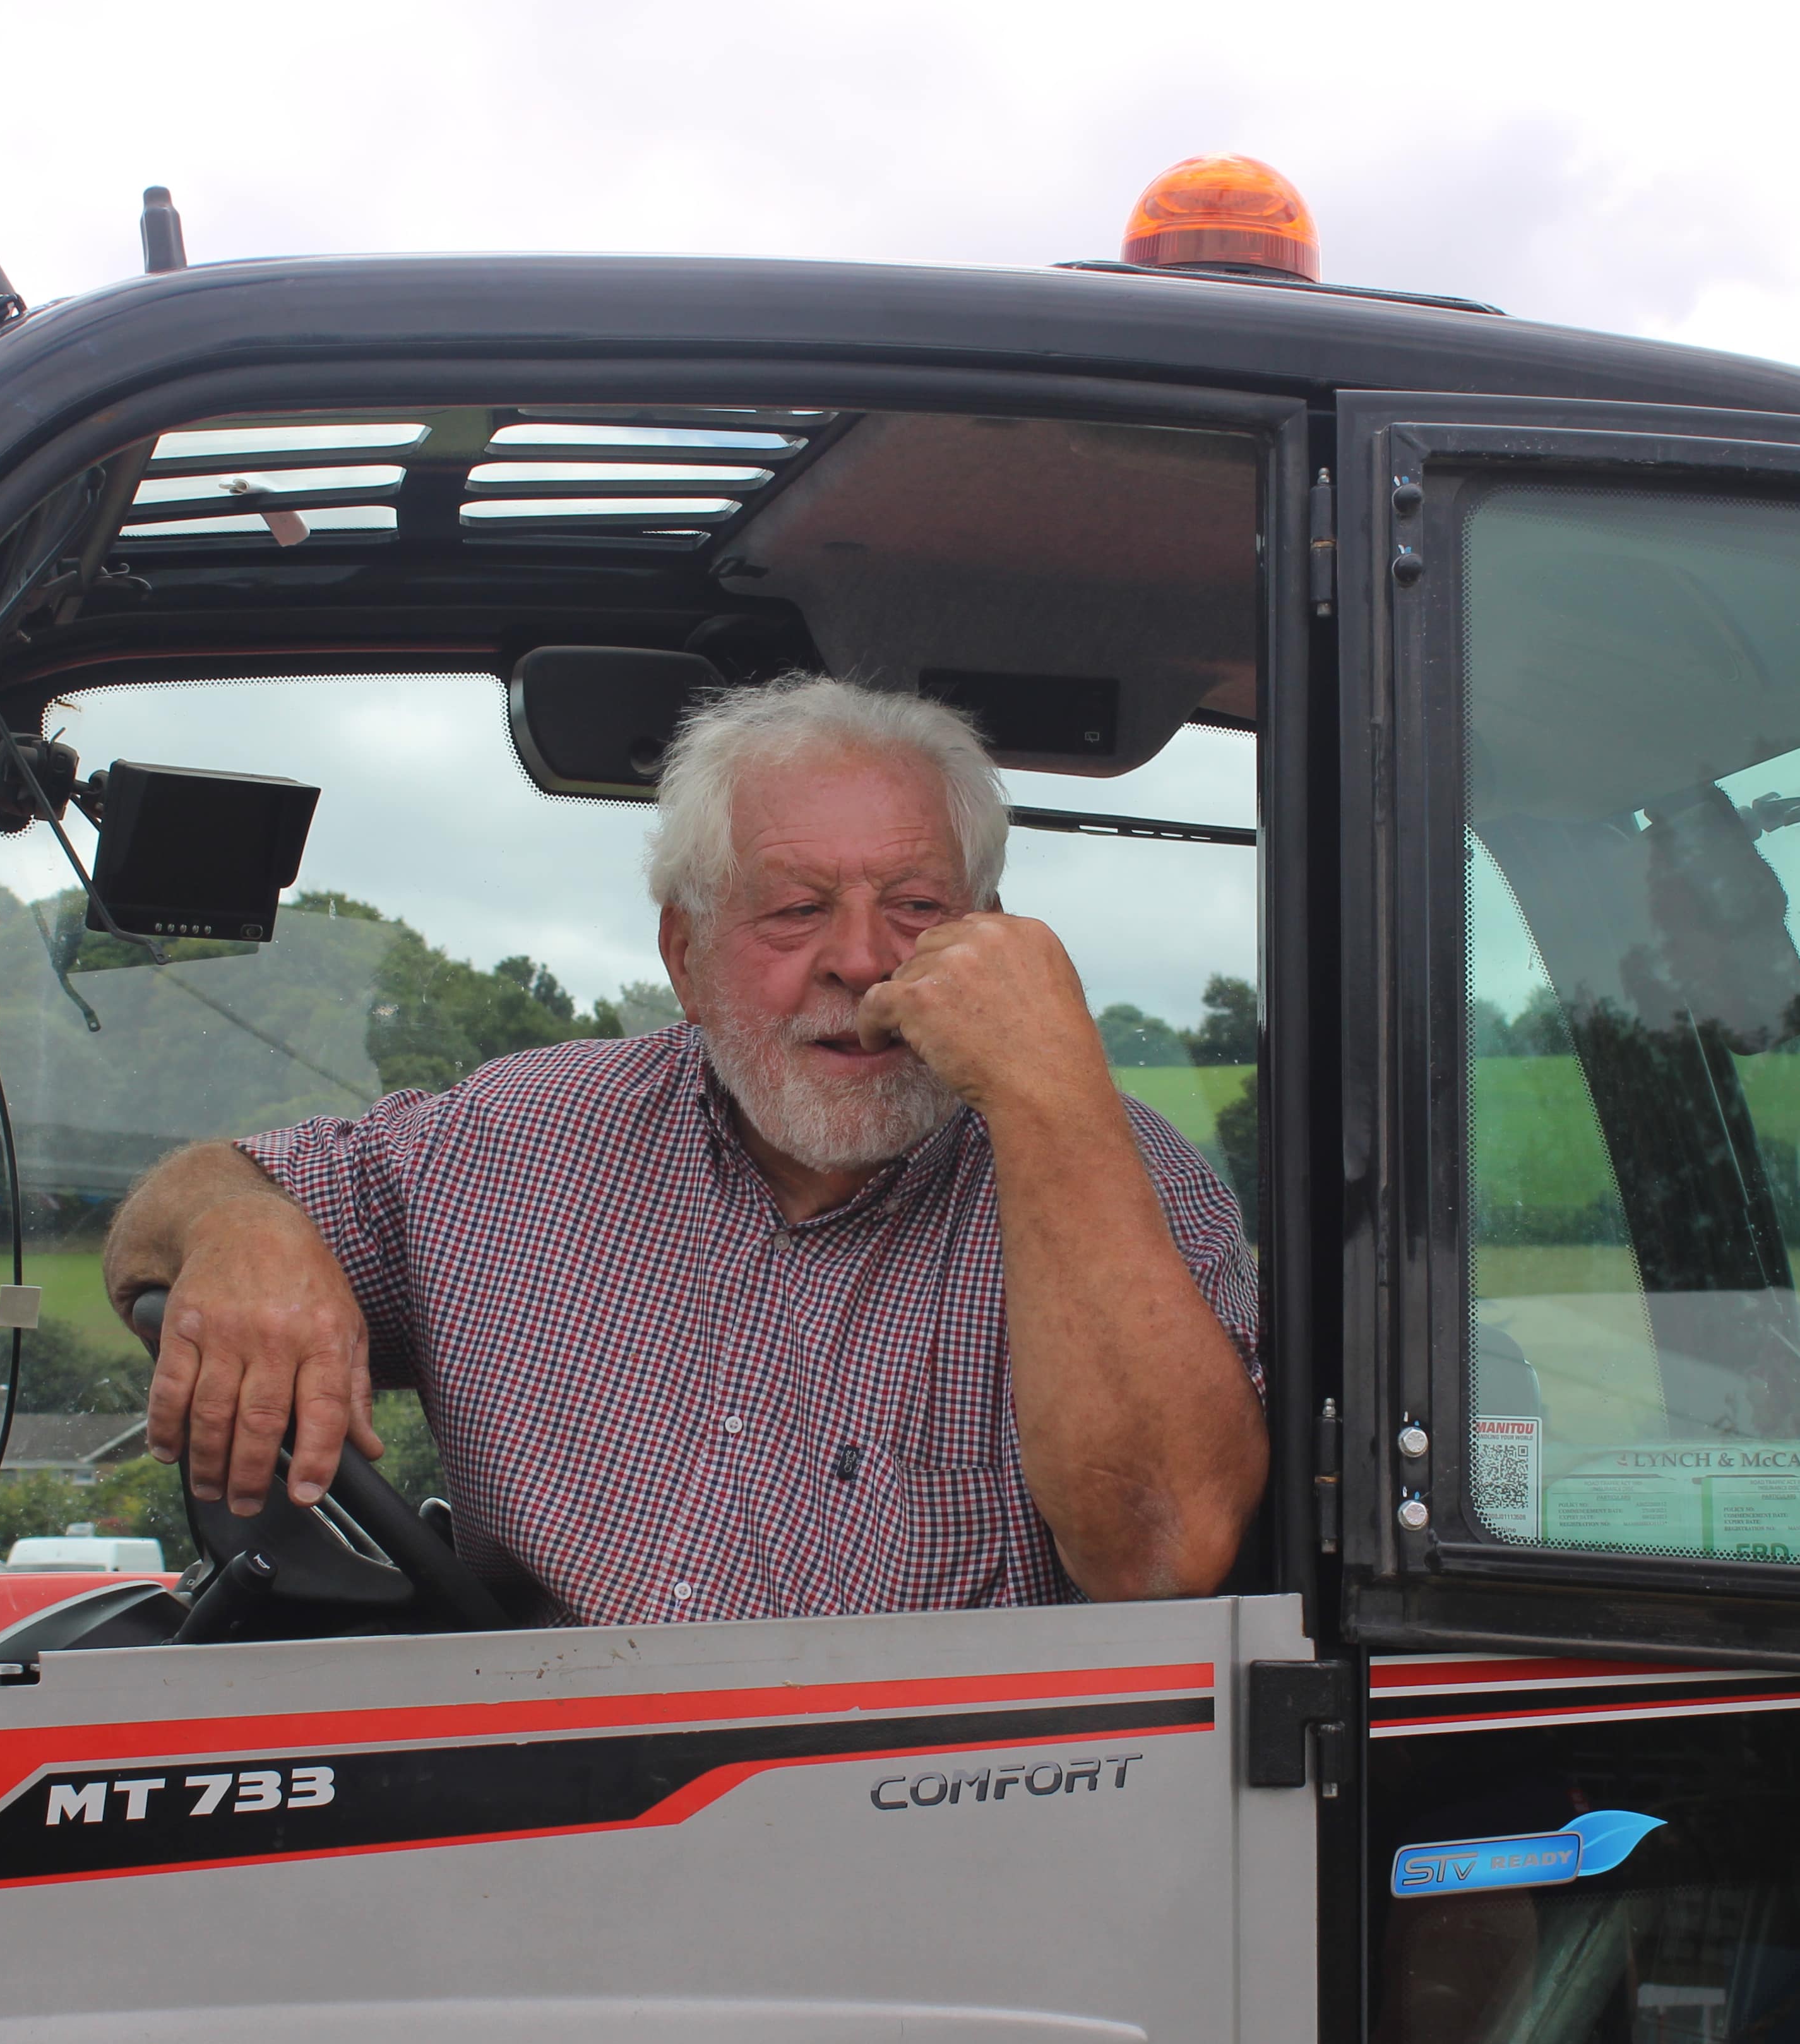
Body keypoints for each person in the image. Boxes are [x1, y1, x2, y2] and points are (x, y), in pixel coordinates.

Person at [100, 674, 1267, 1622]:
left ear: (993, 938)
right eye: (797, 910)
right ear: (685, 957)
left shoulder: (1127, 1178)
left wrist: (1049, 1098)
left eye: (919, 907)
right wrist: (237, 1224)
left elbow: (1165, 1557)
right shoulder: (510, 1146)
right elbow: (171, 1210)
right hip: (545, 1797)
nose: (864, 960)